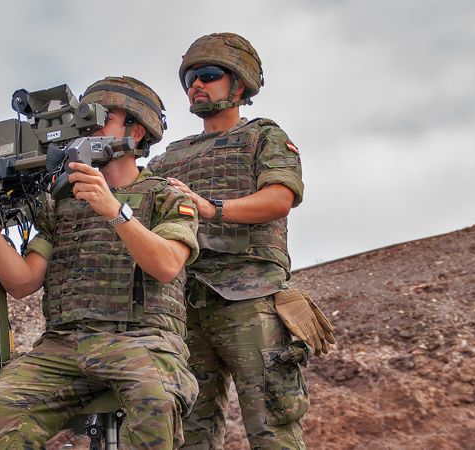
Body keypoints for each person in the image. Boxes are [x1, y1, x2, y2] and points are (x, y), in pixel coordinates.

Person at [0, 76, 200, 450]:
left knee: (155, 400)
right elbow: (23, 282)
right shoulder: (61, 204)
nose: (83, 129)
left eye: (99, 118)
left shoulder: (166, 195)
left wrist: (114, 211)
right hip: (64, 346)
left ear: (135, 132)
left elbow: (168, 265)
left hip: (141, 341)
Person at [146, 33, 331, 449]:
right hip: (183, 303)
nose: (196, 84)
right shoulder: (167, 158)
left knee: (273, 427)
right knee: (188, 431)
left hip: (249, 298)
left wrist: (212, 208)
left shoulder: (263, 136)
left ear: (240, 84)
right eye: (190, 78)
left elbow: (279, 198)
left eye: (208, 75)